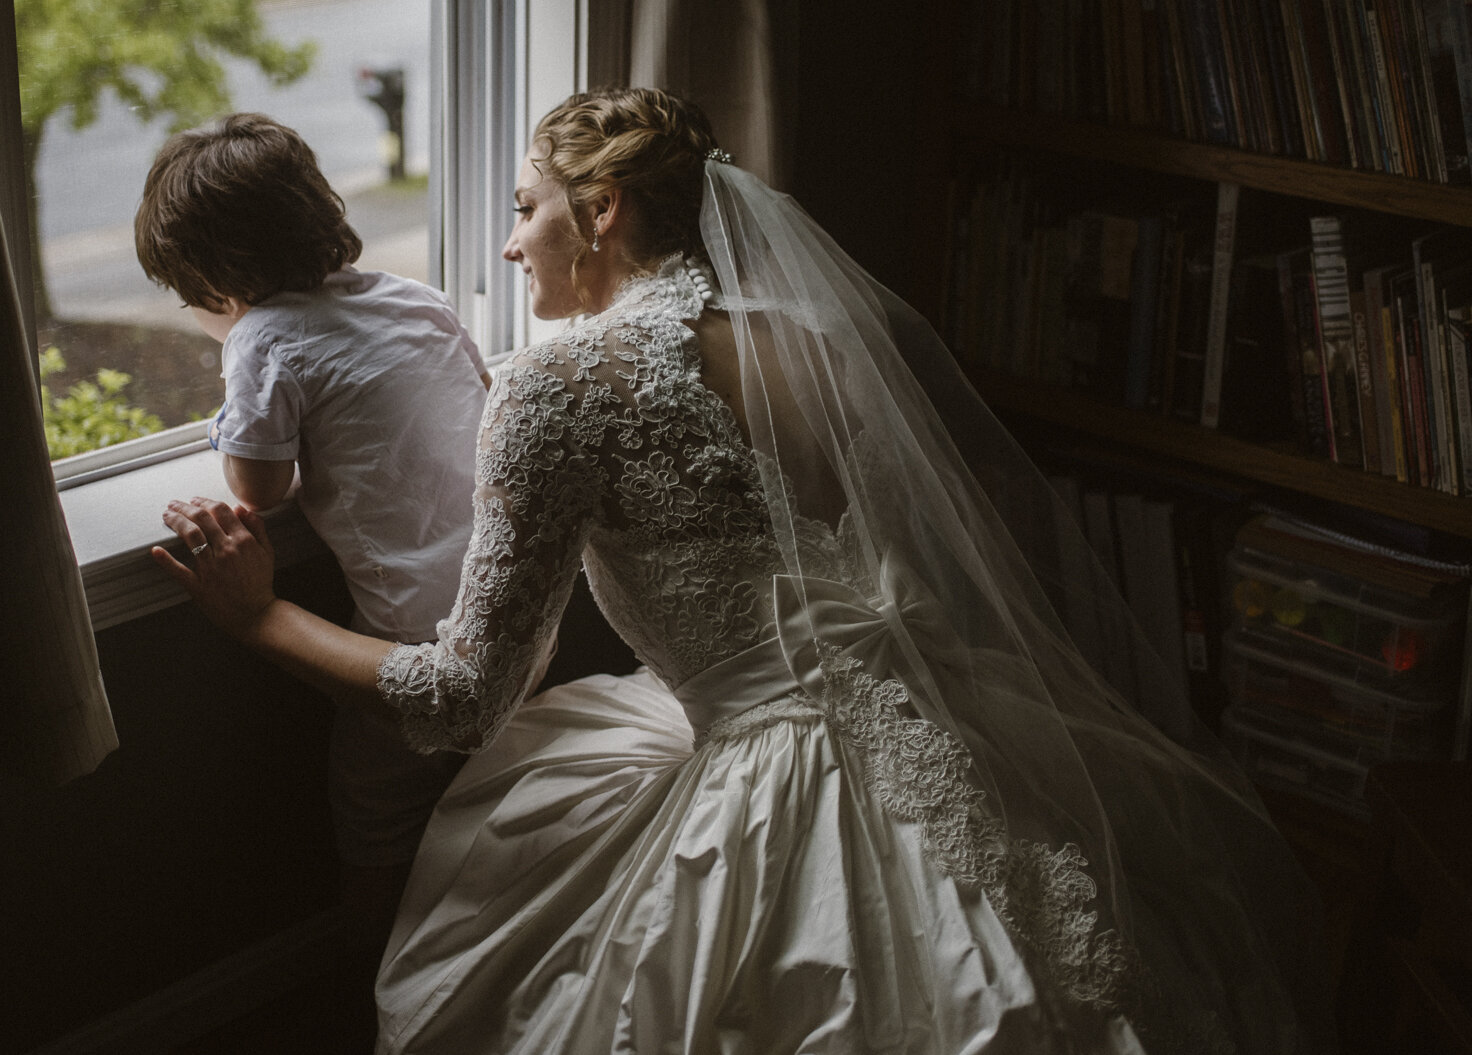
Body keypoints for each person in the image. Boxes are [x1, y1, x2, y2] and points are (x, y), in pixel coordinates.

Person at [155, 89, 1329, 1053]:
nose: (510, 242)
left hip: (770, 760)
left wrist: (255, 619)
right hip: (919, 699)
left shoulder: (553, 390)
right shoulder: (803, 341)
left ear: (601, 210)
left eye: (525, 211)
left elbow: (466, 696)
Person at [133, 112, 489, 957]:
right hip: (502, 596)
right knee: (486, 801)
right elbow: (478, 392)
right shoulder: (411, 295)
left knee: (375, 816)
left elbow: (261, 483)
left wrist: (231, 418)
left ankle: (375, 971)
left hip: (410, 636)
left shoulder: (262, 335)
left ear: (215, 282)